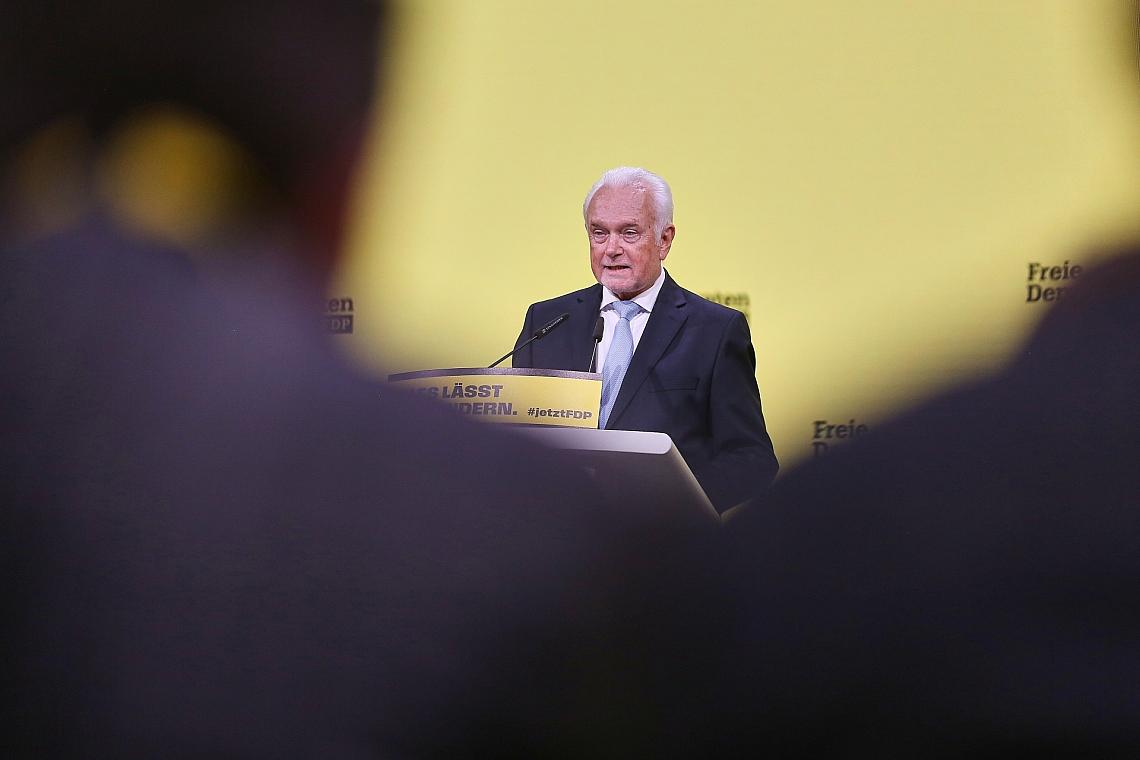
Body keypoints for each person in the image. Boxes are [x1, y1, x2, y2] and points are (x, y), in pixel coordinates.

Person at [512, 166, 778, 511]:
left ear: (664, 240)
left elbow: (751, 458)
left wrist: (675, 506)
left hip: (660, 538)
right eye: (599, 233)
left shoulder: (714, 331)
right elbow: (515, 441)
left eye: (629, 233)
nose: (611, 249)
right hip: (558, 534)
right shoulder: (547, 322)